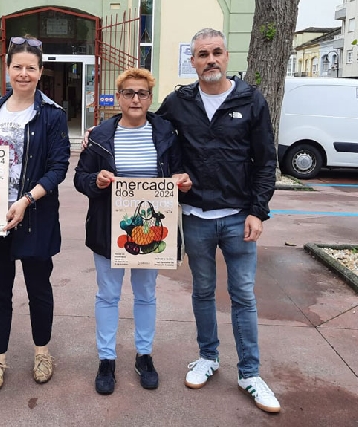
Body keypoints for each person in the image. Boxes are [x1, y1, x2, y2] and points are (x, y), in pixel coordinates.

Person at [157, 28, 280, 413]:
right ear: (192, 61)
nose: (210, 60)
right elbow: (150, 132)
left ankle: (250, 373)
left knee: (243, 296)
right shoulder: (179, 102)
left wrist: (258, 210)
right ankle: (208, 357)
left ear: (227, 57)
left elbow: (266, 160)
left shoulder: (250, 99)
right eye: (202, 54)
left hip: (239, 218)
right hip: (195, 216)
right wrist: (103, 136)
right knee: (203, 293)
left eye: (216, 53)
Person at [74, 68, 192, 395]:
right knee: (108, 295)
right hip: (108, 229)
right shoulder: (101, 135)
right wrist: (95, 181)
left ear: (150, 98)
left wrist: (182, 181)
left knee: (146, 294)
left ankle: (144, 355)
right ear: (119, 97)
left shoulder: (166, 133)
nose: (136, 99)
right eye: (129, 93)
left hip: (153, 233)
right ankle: (107, 358)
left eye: (142, 93)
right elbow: (80, 177)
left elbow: (181, 171)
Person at [0, 36, 70, 393]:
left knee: (38, 287)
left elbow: (59, 167)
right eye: (18, 67)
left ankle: (42, 352)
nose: (24, 73)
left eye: (31, 67)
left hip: (35, 215)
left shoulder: (52, 115)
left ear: (41, 72)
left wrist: (27, 199)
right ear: (7, 69)